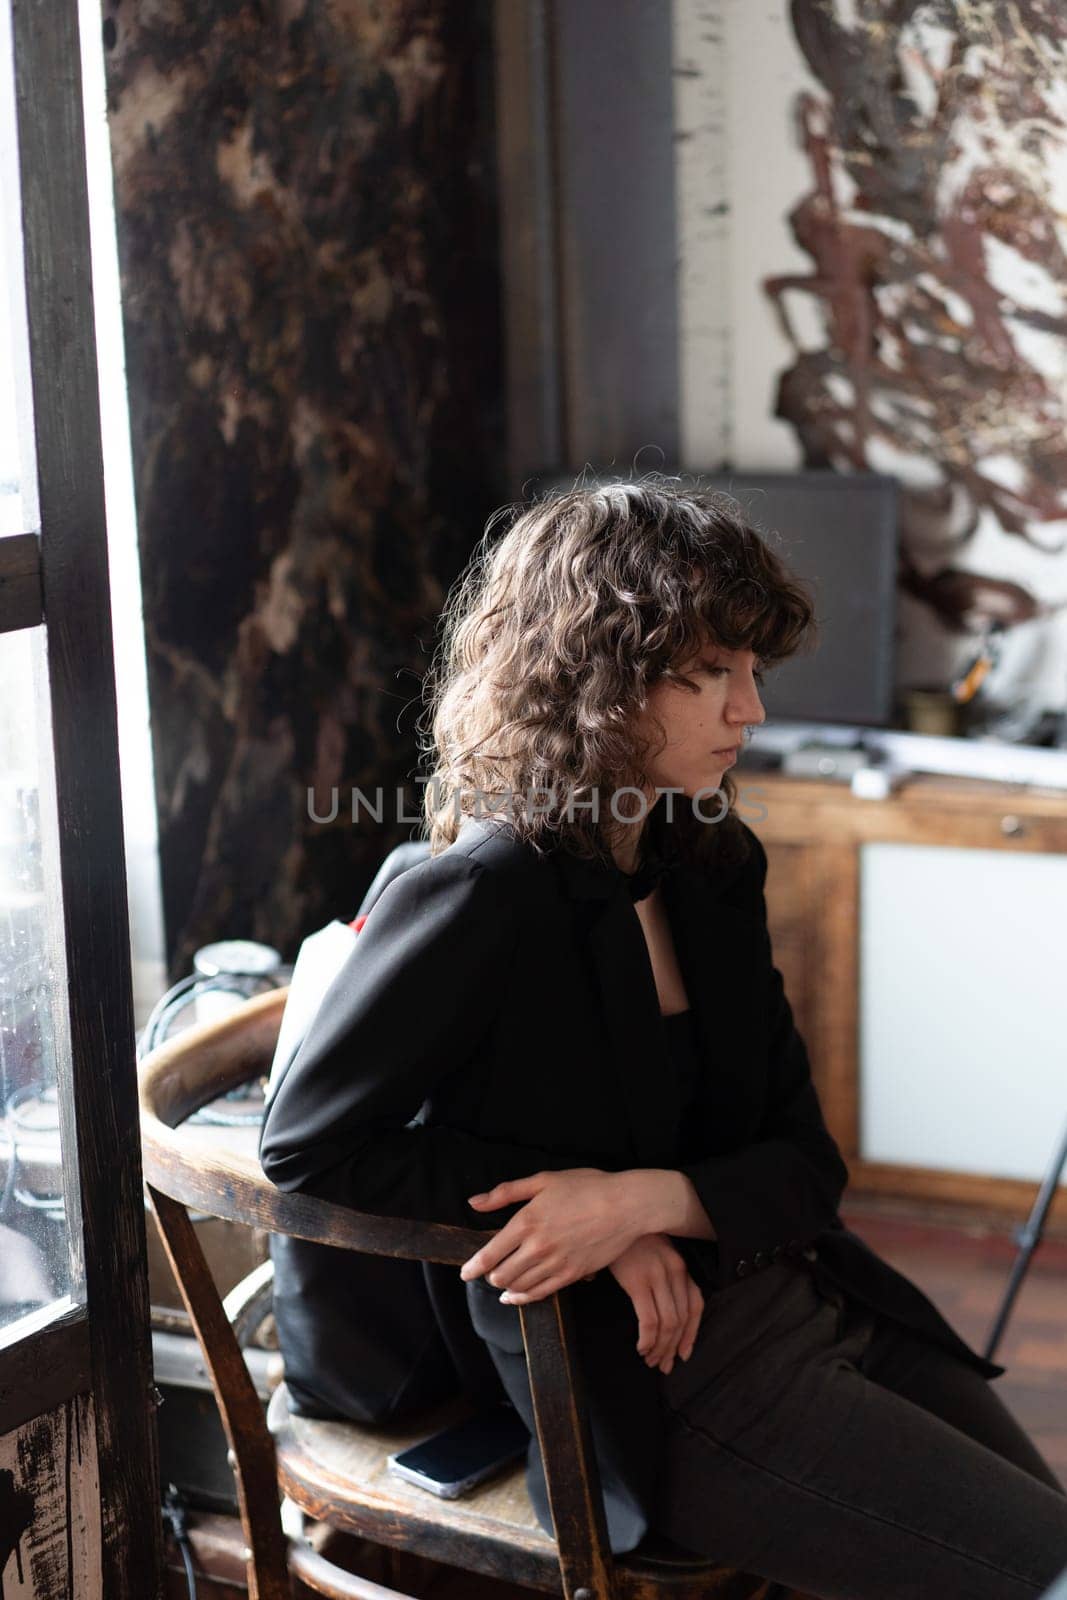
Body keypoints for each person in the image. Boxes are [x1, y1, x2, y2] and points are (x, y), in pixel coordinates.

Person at [260, 479, 1067, 1598]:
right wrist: (578, 1209)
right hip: (655, 1382)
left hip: (803, 1292)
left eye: (752, 672)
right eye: (711, 673)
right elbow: (305, 1147)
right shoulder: (481, 893)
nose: (751, 712)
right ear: (599, 682)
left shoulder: (707, 863)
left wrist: (637, 1202)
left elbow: (804, 1167)